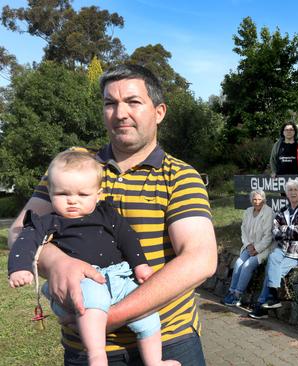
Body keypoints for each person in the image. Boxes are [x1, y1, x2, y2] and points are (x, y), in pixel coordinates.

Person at [7, 64, 217, 365]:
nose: (120, 113)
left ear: (159, 112)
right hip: (86, 350)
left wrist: (107, 317)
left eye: (133, 102)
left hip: (169, 341)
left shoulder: (180, 176)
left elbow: (200, 259)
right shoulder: (73, 165)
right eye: (110, 103)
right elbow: (19, 231)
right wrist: (59, 262)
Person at [8, 151, 178, 366]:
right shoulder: (48, 221)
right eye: (62, 194)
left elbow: (127, 238)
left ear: (98, 195)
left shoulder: (107, 214)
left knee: (148, 317)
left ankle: (155, 361)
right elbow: (25, 240)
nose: (72, 201)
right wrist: (20, 267)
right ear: (50, 193)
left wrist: (140, 265)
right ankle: (97, 356)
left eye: (82, 195)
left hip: (119, 277)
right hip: (82, 282)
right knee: (92, 303)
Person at [249, 179, 298, 319]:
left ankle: (264, 303)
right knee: (273, 257)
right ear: (286, 193)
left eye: (296, 190)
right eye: (290, 190)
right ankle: (272, 298)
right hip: (283, 248)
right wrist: (290, 231)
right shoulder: (282, 211)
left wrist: (284, 230)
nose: (293, 192)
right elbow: (275, 232)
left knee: (272, 271)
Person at [222, 189, 274, 307]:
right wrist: (248, 245)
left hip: (264, 248)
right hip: (249, 246)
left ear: (264, 200)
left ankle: (237, 296)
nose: (257, 202)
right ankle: (231, 292)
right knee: (239, 262)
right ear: (251, 200)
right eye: (254, 199)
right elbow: (243, 230)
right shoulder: (248, 211)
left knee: (247, 265)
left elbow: (268, 236)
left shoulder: (268, 212)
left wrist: (257, 249)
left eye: (260, 199)